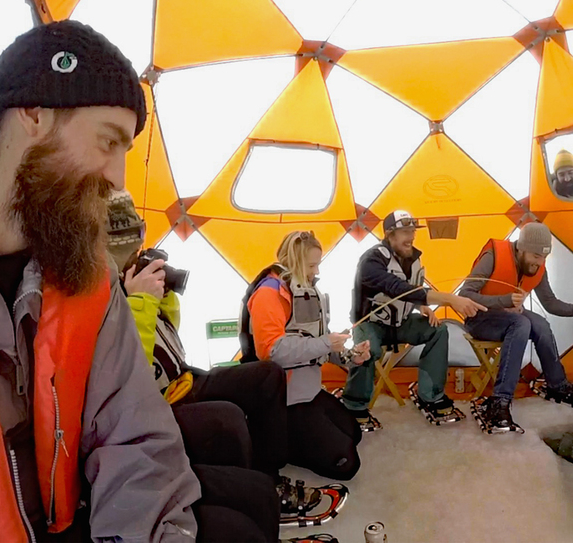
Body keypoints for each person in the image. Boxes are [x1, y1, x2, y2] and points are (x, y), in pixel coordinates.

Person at [0, 21, 200, 541]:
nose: (117, 178)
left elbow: (138, 441)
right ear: (35, 112)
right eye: (108, 141)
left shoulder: (87, 275)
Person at [106, 190, 285, 541]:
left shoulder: (129, 285)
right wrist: (140, 301)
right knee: (227, 420)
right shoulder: (101, 294)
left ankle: (270, 475)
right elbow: (131, 380)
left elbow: (170, 338)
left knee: (267, 375)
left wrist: (163, 297)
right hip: (156, 402)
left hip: (182, 377)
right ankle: (245, 493)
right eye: (128, 254)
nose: (134, 260)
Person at [341, 210, 486, 428]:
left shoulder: (412, 258)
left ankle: (431, 394)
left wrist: (422, 306)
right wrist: (449, 299)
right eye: (404, 232)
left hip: (400, 324)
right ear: (389, 235)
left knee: (438, 331)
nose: (410, 237)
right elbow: (397, 288)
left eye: (412, 231)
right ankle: (354, 405)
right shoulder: (371, 261)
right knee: (367, 349)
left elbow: (412, 288)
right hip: (370, 324)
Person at [247, 230, 370, 481]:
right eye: (312, 265)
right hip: (283, 398)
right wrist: (326, 342)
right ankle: (279, 443)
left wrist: (349, 356)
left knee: (353, 433)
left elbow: (318, 343)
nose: (316, 272)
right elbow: (272, 351)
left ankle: (297, 435)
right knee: (346, 463)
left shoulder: (305, 292)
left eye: (317, 264)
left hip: (308, 390)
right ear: (293, 262)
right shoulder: (269, 293)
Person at [459, 222, 573, 431]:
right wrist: (504, 301)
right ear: (521, 248)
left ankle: (558, 385)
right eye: (535, 256)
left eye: (544, 257)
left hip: (509, 317)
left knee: (540, 324)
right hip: (479, 318)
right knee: (521, 322)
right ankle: (500, 401)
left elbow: (550, 303)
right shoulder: (494, 257)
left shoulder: (537, 267)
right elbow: (465, 294)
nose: (539, 263)